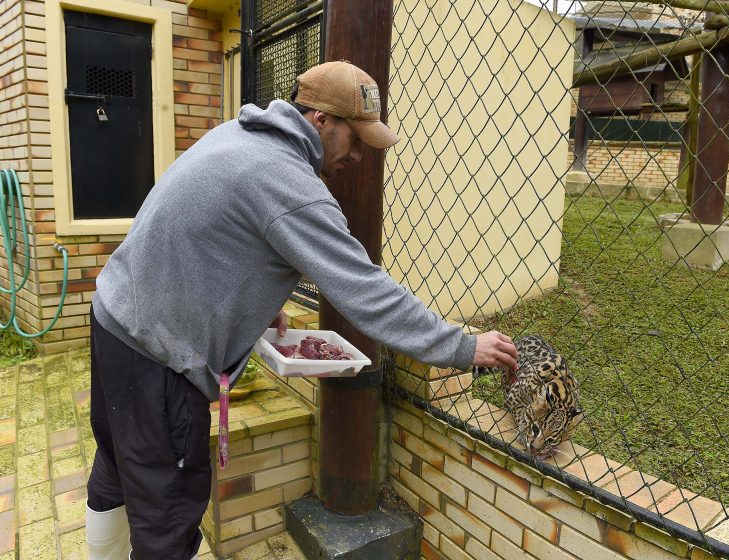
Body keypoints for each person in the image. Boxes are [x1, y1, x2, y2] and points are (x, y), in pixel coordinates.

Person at [85, 60, 518, 560]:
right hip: (157, 357)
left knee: (117, 464)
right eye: (354, 138)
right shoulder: (288, 182)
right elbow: (365, 291)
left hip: (115, 319)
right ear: (319, 121)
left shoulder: (240, 135)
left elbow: (205, 232)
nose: (358, 155)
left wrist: (252, 307)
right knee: (168, 517)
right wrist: (461, 346)